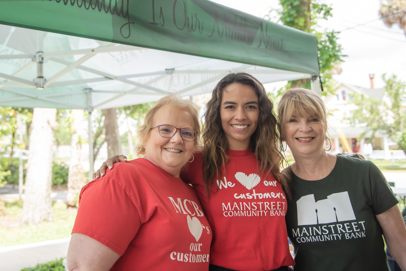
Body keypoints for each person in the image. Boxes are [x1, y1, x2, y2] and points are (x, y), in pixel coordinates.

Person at [95, 73, 294, 271]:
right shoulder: (198, 160)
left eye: (250, 106)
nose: (240, 115)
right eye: (230, 106)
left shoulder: (270, 160)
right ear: (218, 112)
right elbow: (153, 168)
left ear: (261, 113)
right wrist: (120, 163)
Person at [66, 94, 213, 271]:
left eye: (187, 133)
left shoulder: (190, 190)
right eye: (165, 130)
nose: (177, 139)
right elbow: (82, 267)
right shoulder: (123, 178)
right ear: (145, 138)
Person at [278, 88, 406, 271]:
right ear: (281, 131)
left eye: (313, 119)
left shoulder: (364, 173)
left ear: (324, 125)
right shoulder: (280, 186)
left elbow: (401, 247)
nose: (305, 128)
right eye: (293, 120)